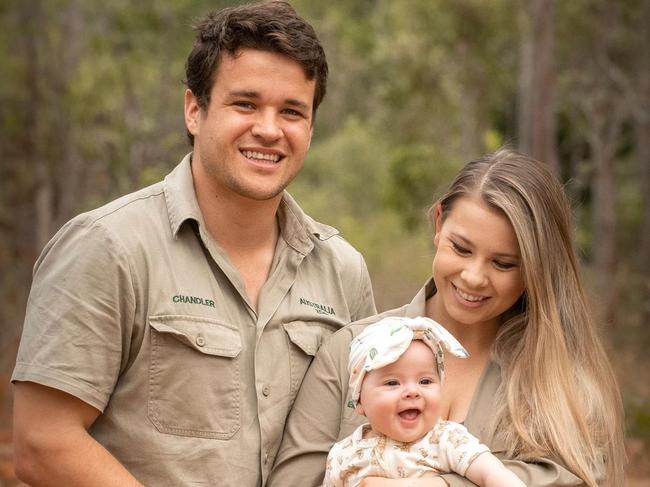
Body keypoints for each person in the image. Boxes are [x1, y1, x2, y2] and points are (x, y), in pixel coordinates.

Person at [11, 2, 376, 486]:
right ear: (194, 110)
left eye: (291, 111)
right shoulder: (108, 247)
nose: (269, 129)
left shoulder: (343, 272)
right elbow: (43, 442)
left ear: (310, 127)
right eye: (245, 104)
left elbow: (365, 434)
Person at [269, 148, 626, 487]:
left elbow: (579, 477)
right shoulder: (347, 351)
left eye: (503, 263)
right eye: (461, 248)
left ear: (535, 269)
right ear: (439, 222)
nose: (473, 277)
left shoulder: (560, 381)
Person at [323, 316, 526, 487]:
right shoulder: (343, 454)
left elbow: (492, 474)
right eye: (393, 383)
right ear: (359, 401)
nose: (412, 391)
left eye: (425, 381)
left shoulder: (446, 439)